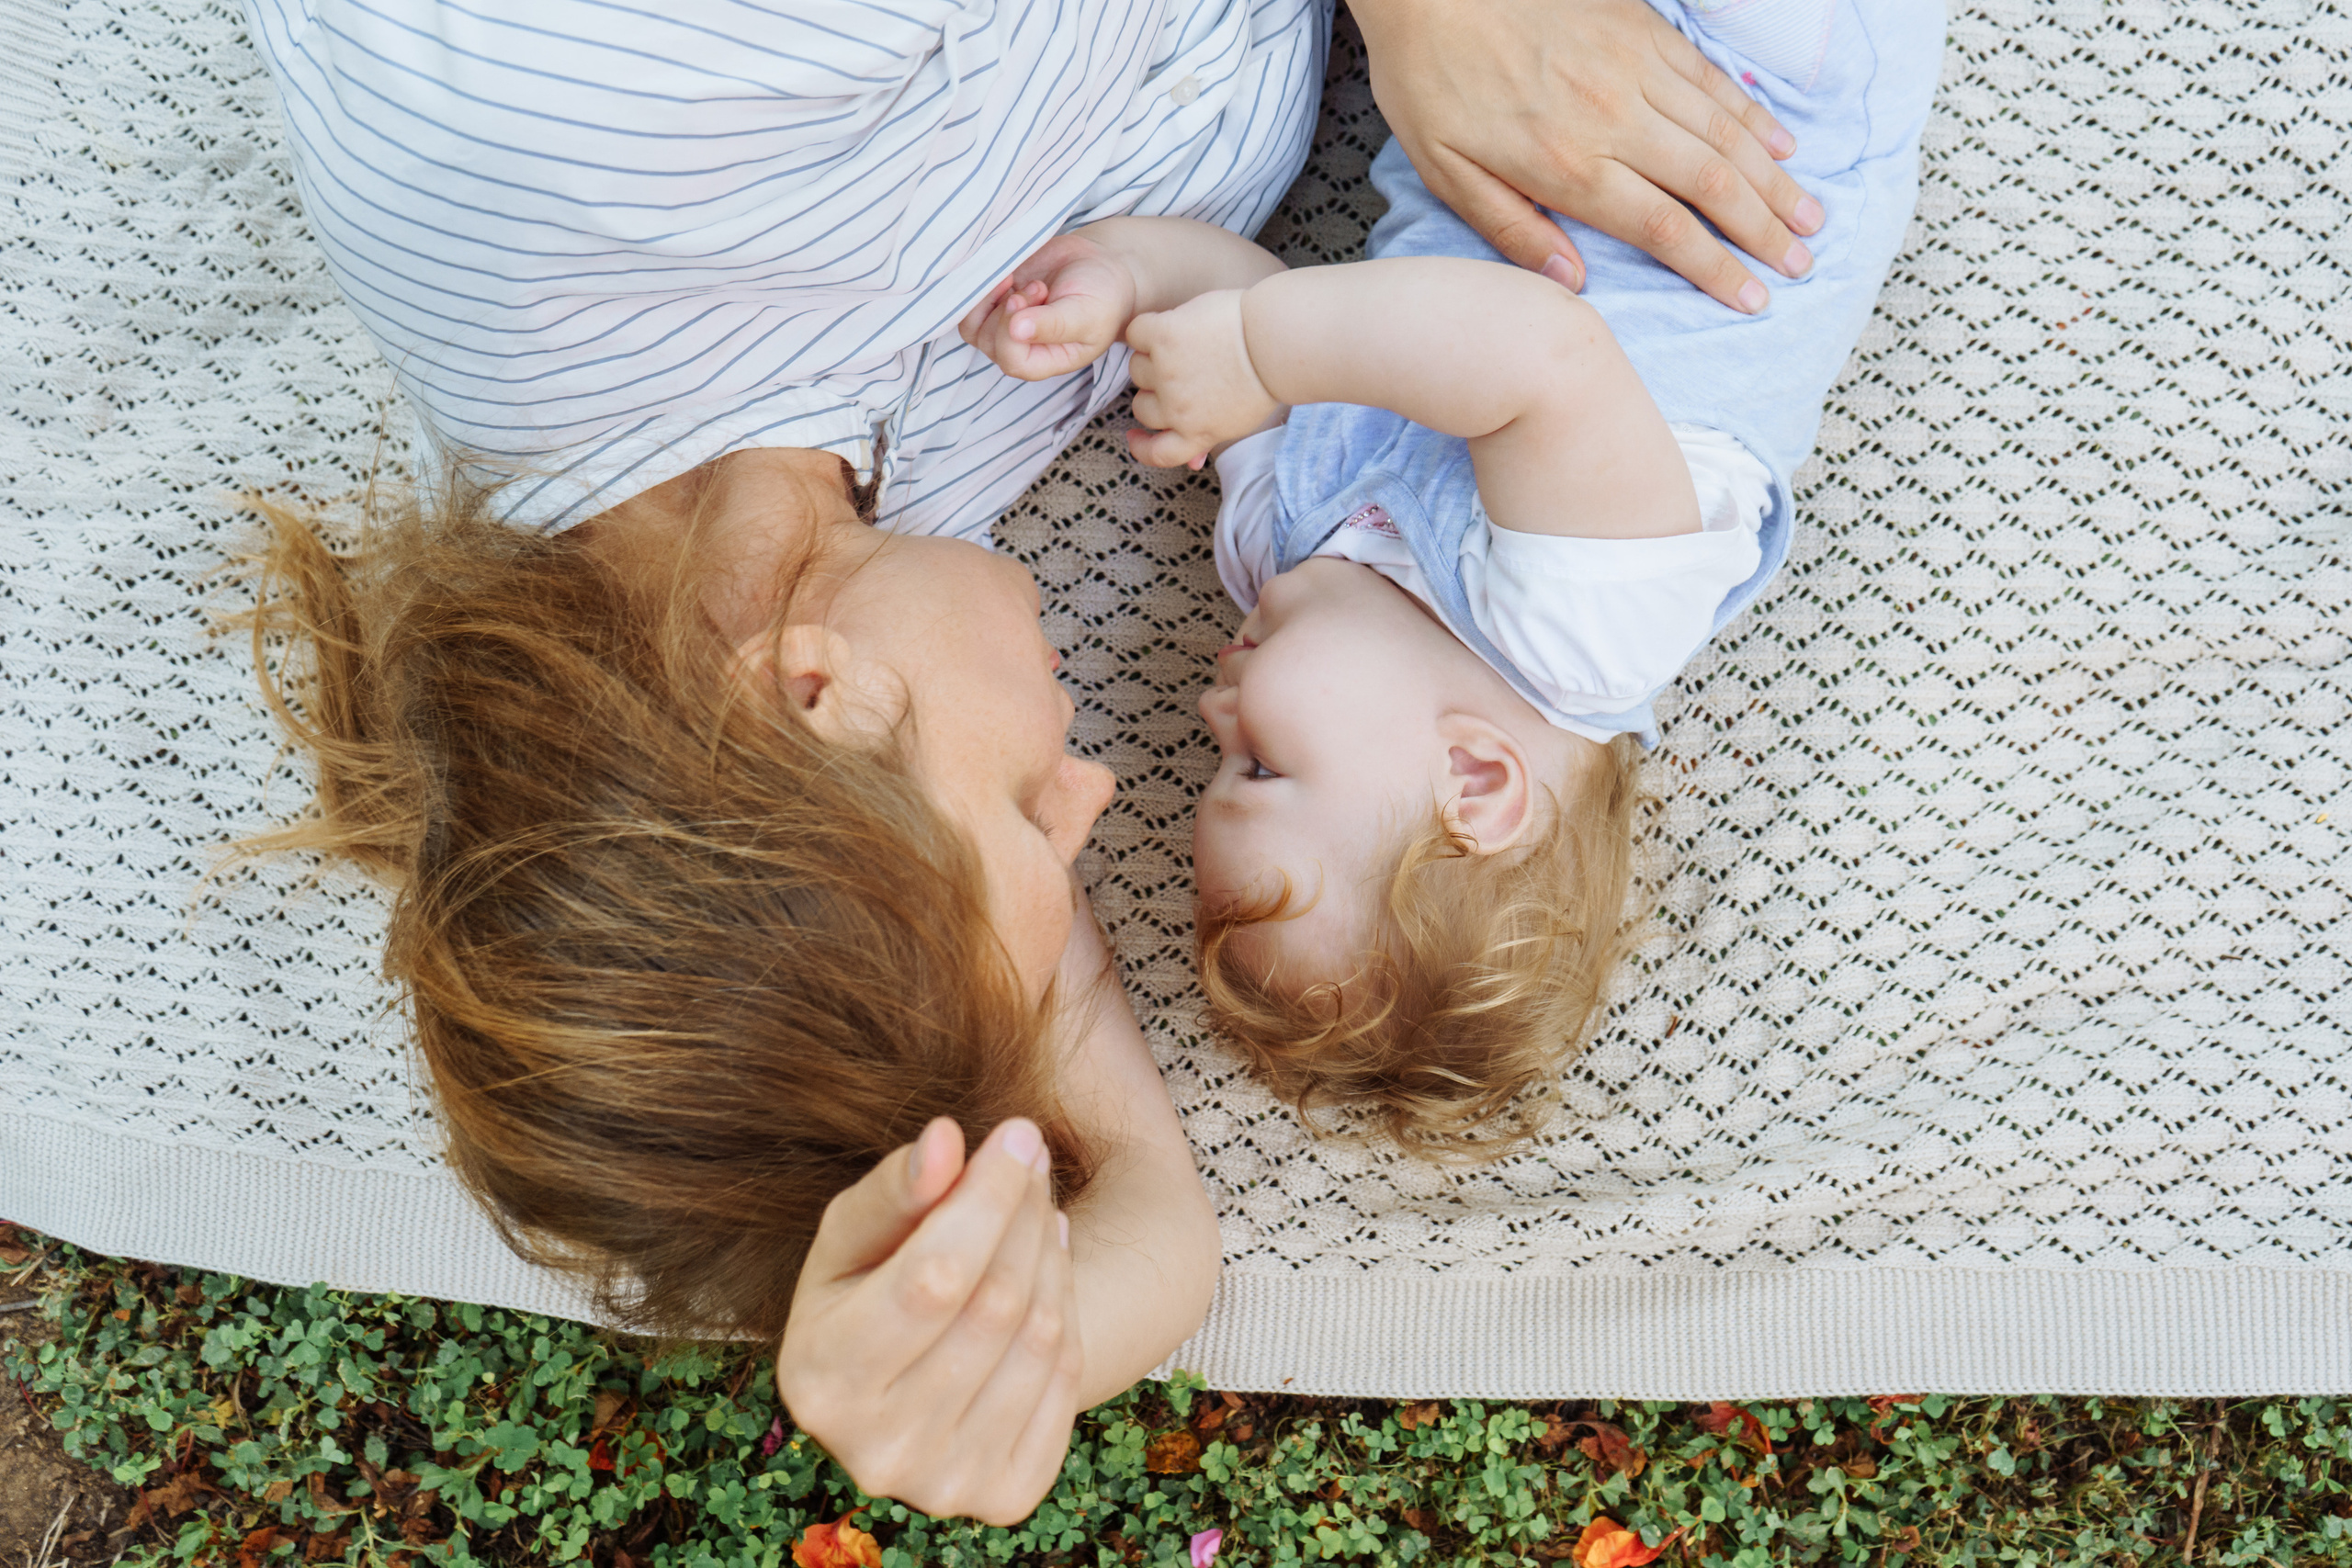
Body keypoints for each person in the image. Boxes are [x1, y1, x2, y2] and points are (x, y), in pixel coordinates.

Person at [231, 0, 1833, 1524]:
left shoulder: (583, 121)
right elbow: (1153, 1217)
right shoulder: (823, 569)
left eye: (1026, 815)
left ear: (816, 692)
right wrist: (1010, 1333)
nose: (1101, 799)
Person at [960, 0, 1941, 1153]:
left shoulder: (1285, 561)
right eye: (1263, 763)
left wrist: (1129, 283)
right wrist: (1258, 348)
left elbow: (1227, 299)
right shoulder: (1582, 637)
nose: (1211, 707)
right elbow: (1536, 354)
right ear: (1475, 778)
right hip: (1757, 102)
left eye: (1216, 758)